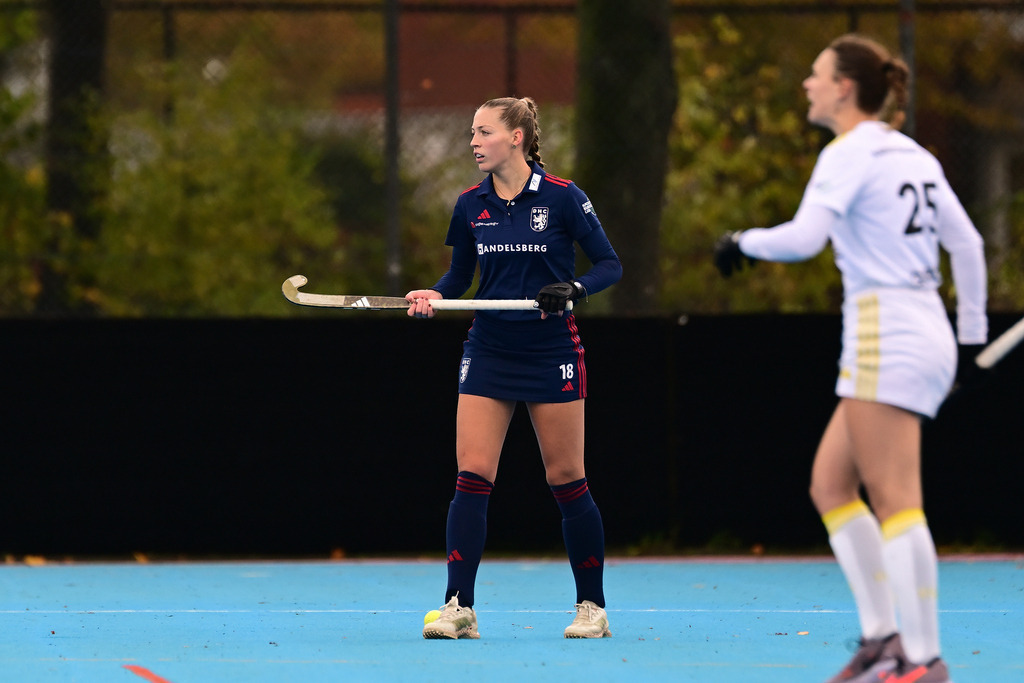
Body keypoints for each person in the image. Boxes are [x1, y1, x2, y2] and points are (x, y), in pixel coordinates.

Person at [712, 34, 987, 683]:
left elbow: (805, 238)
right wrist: (970, 342)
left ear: (843, 87)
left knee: (896, 498)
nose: (807, 84)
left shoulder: (850, 151)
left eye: (815, 74)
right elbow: (969, 244)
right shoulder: (912, 153)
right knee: (831, 484)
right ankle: (884, 638)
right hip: (926, 330)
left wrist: (741, 241)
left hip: (885, 331)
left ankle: (921, 659)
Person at [405, 96, 622, 640]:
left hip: (551, 352)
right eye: (471, 133)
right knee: (472, 475)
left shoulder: (563, 198)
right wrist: (432, 295)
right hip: (489, 349)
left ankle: (591, 606)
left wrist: (573, 288)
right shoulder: (469, 203)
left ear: (517, 137)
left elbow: (609, 265)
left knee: (566, 477)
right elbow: (459, 279)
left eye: (483, 132)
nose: (473, 141)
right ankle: (459, 606)